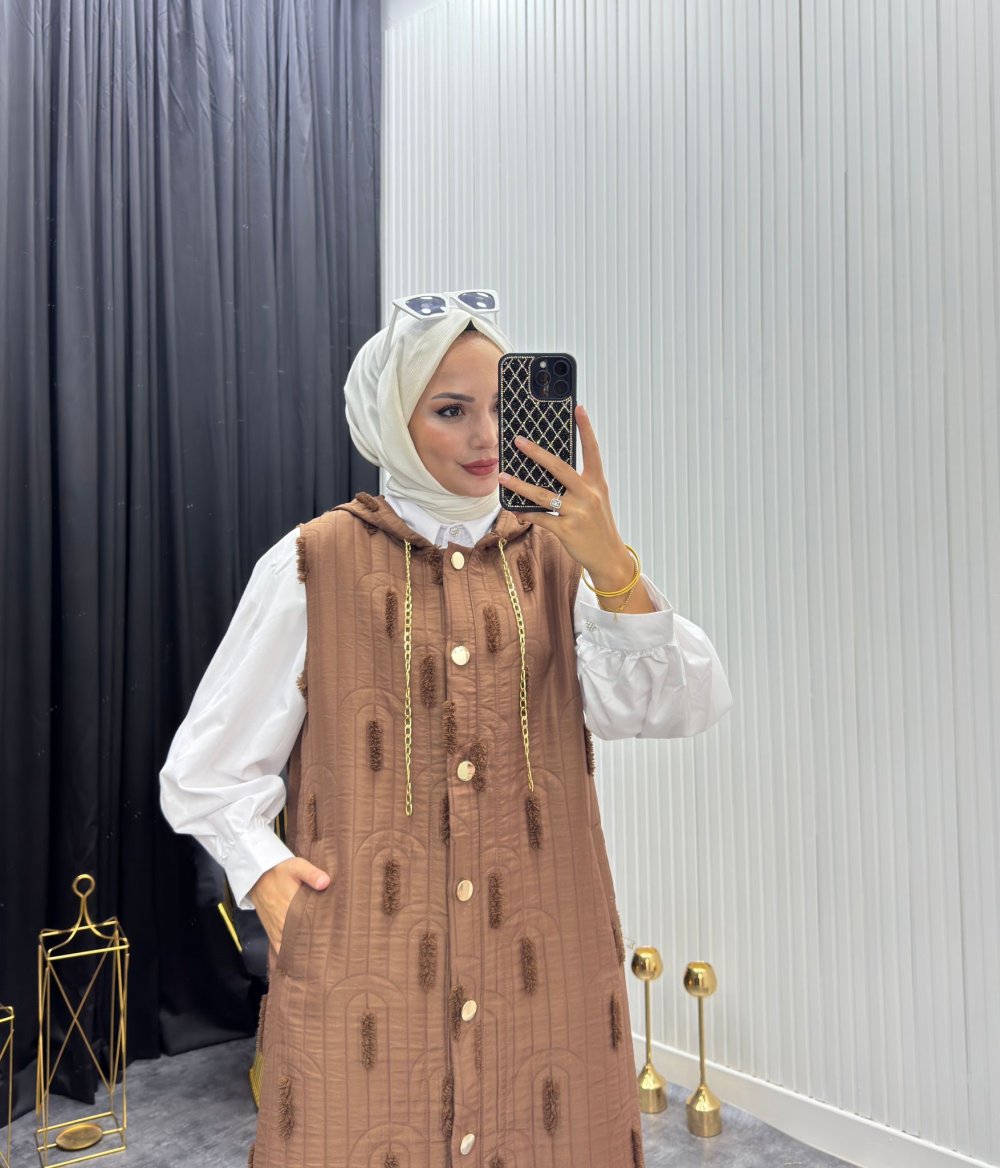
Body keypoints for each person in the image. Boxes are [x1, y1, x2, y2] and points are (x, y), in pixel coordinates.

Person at [160, 293, 732, 1168]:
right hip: (369, 963)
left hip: (545, 954)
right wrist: (264, 873)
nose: (486, 436)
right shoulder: (315, 562)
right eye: (452, 410)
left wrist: (612, 563)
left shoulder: (560, 560)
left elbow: (677, 705)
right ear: (392, 419)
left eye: (502, 406)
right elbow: (205, 769)